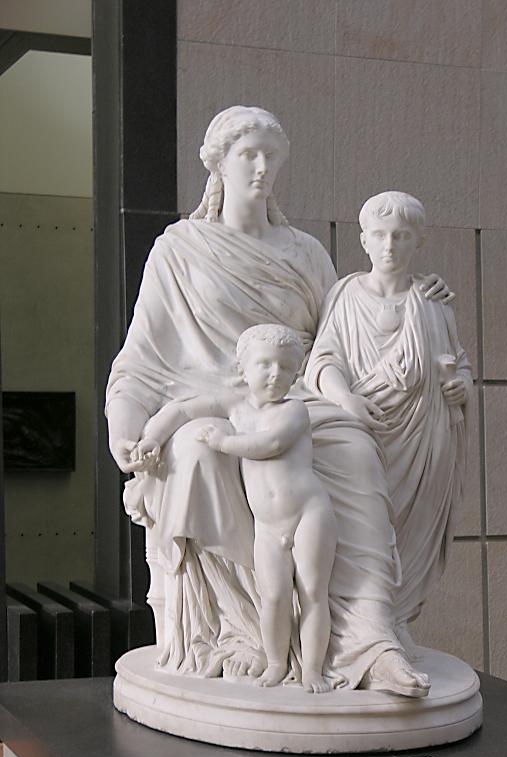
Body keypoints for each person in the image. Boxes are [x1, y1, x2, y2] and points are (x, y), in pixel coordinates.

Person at [105, 106, 452, 695]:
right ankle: (244, 632)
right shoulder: (180, 250)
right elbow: (139, 361)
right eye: (249, 155)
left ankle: (373, 641)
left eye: (272, 156)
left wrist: (416, 297)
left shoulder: (306, 253)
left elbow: (343, 336)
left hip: (298, 400)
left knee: (354, 448)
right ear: (219, 164)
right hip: (207, 403)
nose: (263, 168)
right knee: (197, 451)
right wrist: (124, 430)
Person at [306, 192, 471, 644]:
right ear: (363, 240)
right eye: (379, 235)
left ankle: (393, 623)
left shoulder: (433, 301)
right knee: (362, 529)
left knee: (410, 533)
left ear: (419, 241)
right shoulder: (345, 295)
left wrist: (462, 387)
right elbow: (323, 359)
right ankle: (357, 627)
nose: (389, 245)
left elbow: (457, 361)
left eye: (401, 236)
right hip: (363, 428)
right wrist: (345, 400)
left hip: (423, 438)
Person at [137, 324, 336, 694]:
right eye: (265, 364)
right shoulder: (233, 406)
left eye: (286, 367)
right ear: (243, 369)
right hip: (267, 526)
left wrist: (223, 442)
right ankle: (276, 664)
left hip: (309, 514)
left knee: (312, 592)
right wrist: (152, 438)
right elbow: (181, 411)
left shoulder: (294, 410)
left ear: (296, 375)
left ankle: (312, 670)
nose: (275, 374)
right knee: (274, 596)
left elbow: (270, 444)